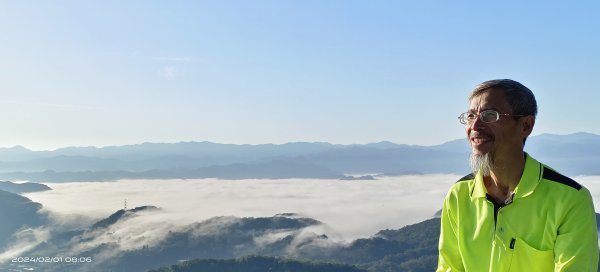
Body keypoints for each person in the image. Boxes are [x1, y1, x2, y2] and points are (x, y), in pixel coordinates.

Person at [437, 79, 598, 271]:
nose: (475, 126)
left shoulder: (570, 199)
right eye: (471, 116)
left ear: (526, 126)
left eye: (489, 115)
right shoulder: (458, 196)